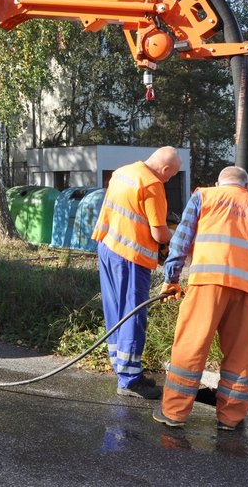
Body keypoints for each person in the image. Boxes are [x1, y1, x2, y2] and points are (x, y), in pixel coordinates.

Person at [152, 166, 248, 431]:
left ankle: (174, 413)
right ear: (246, 187)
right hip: (246, 290)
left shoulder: (204, 197)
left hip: (207, 284)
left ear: (218, 182)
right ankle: (230, 418)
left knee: (191, 346)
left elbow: (181, 241)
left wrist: (172, 278)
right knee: (239, 354)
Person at [92, 146, 182, 399]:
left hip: (108, 247)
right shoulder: (153, 185)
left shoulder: (122, 172)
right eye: (171, 175)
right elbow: (158, 233)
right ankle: (130, 379)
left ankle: (121, 369)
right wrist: (176, 238)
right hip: (132, 257)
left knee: (116, 312)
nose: (169, 179)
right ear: (165, 169)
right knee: (133, 314)